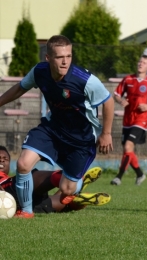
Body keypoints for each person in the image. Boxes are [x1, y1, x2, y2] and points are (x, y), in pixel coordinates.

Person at [0, 35, 114, 218]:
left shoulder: (85, 80)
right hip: (53, 129)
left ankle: (75, 185)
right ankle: (26, 212)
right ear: (48, 58)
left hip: (81, 138)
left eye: (68, 56)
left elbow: (108, 102)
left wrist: (106, 133)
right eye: (60, 57)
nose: (65, 61)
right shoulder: (39, 72)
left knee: (66, 189)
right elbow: (20, 88)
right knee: (23, 164)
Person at [0, 146, 111, 214]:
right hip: (9, 191)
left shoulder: (10, 178)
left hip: (22, 198)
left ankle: (73, 189)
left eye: (5, 159)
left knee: (61, 202)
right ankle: (72, 186)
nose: (2, 161)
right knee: (25, 180)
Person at [110, 55, 147, 186]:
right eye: (140, 61)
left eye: (144, 62)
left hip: (141, 120)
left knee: (128, 146)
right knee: (127, 150)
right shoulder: (128, 79)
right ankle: (140, 174)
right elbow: (116, 95)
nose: (141, 63)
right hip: (127, 119)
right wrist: (121, 101)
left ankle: (118, 177)